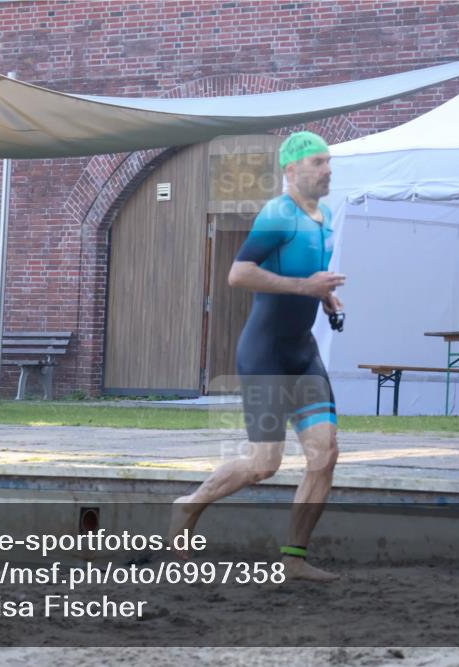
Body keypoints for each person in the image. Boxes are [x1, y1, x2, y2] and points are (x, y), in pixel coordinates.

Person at [170, 131, 344, 582]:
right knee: (265, 464)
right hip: (265, 354)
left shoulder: (322, 215)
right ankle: (188, 506)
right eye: (317, 163)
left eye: (328, 161)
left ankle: (294, 558)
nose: (328, 169)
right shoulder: (277, 214)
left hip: (302, 353)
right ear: (291, 170)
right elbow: (239, 273)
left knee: (325, 455)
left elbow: (304, 274)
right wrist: (306, 287)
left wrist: (324, 297)